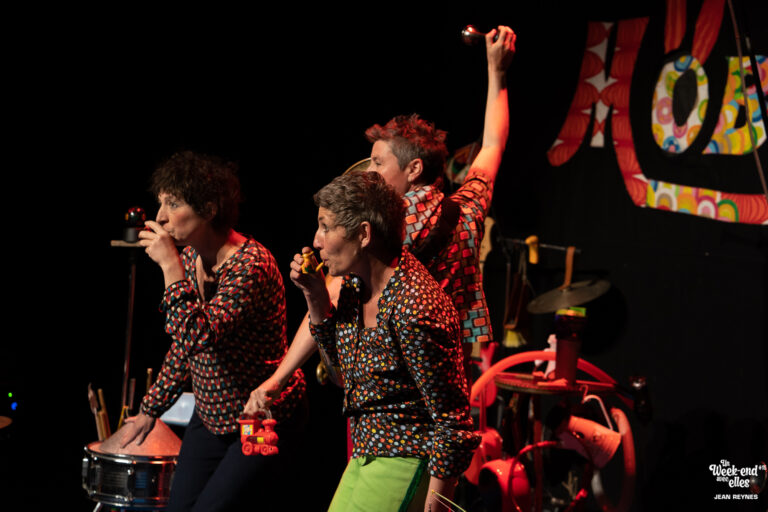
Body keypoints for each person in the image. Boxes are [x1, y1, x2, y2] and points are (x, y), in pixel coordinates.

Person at [245, 25, 516, 408]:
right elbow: (492, 144)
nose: (367, 172)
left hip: (389, 391)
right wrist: (496, 70)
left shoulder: (381, 230)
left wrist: (277, 380)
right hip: (447, 385)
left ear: (414, 169)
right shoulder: (466, 210)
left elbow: (330, 299)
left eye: (376, 162)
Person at [120, 150, 306, 511]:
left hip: (259, 418)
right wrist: (150, 409)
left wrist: (170, 268)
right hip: (210, 417)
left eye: (173, 204)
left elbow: (199, 336)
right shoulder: (191, 257)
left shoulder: (251, 265)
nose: (160, 216)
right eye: (161, 203)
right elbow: (184, 347)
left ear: (208, 209)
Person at [288, 170, 479, 511]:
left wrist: (436, 504)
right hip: (368, 451)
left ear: (363, 234)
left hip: (408, 457)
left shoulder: (416, 308)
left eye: (326, 227)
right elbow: (340, 375)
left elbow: (453, 422)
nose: (316, 241)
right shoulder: (354, 287)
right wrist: (316, 297)